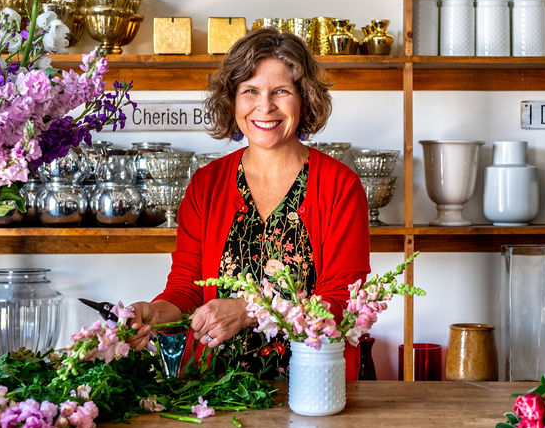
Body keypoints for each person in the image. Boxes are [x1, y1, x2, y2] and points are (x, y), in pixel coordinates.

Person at [127, 27, 371, 379]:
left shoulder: (339, 186)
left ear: (305, 99)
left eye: (281, 91)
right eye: (250, 91)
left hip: (313, 386)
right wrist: (153, 312)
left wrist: (248, 311)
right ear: (233, 101)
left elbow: (343, 304)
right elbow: (186, 289)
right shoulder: (205, 186)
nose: (265, 106)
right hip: (216, 391)